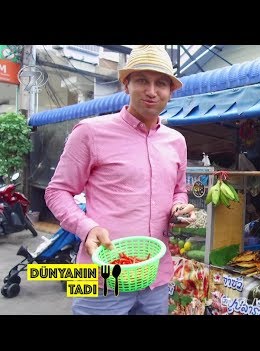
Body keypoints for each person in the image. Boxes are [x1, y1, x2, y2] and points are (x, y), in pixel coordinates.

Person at [45, 45, 196, 315]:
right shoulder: (90, 131)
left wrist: (179, 207)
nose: (152, 91)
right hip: (101, 276)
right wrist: (86, 228)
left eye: (161, 83)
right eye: (142, 81)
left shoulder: (177, 141)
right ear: (126, 84)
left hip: (155, 277)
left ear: (171, 91)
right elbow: (57, 191)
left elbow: (178, 191)